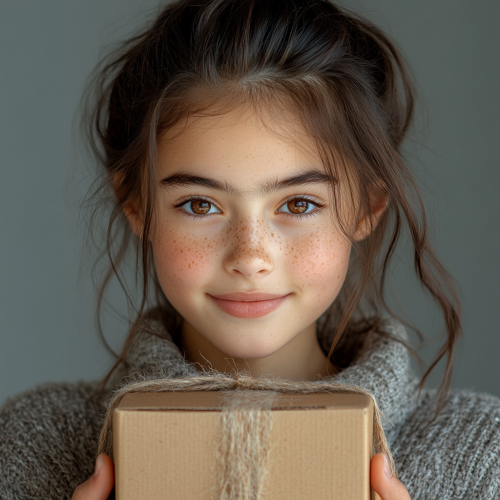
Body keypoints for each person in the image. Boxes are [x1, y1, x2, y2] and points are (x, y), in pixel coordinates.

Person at [1, 0, 499, 499]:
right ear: (136, 205)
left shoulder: (481, 456)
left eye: (300, 204)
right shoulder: (35, 442)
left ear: (369, 206)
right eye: (199, 205)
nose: (250, 257)